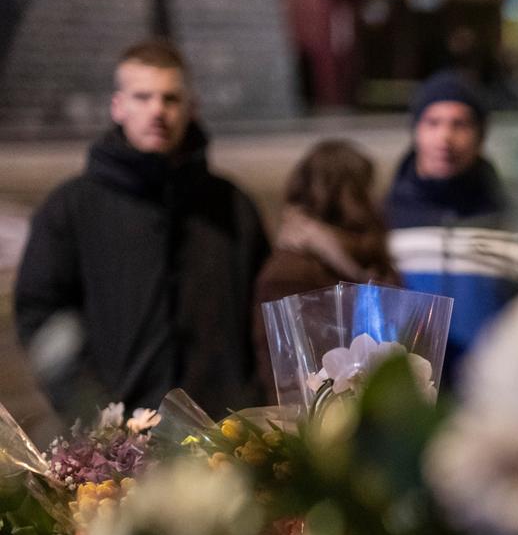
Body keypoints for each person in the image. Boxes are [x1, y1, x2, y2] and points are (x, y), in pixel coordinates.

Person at [13, 38, 268, 417]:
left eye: (170, 99)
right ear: (118, 106)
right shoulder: (72, 208)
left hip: (224, 438)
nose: (157, 111)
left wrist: (250, 400)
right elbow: (41, 314)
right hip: (116, 448)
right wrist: (91, 412)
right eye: (142, 97)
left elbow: (266, 315)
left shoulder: (232, 207)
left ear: (191, 108)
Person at [385, 69, 518, 383]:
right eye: (433, 122)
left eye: (460, 124)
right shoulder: (385, 216)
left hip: (492, 394)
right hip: (405, 402)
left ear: (480, 136)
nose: (445, 138)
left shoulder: (511, 217)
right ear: (416, 130)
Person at [252, 140, 400, 394]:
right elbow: (290, 374)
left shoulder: (370, 259)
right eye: (367, 187)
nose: (375, 200)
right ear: (347, 194)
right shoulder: (292, 272)